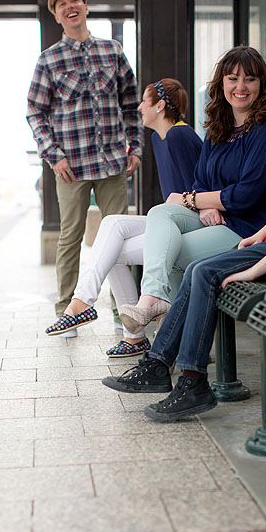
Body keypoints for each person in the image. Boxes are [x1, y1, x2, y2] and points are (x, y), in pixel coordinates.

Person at [100, 84, 266, 421]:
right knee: (198, 270)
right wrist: (256, 237)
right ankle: (159, 366)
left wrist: (253, 269)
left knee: (203, 272)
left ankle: (189, 380)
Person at [117, 45, 266, 333]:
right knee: (160, 213)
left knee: (171, 253)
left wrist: (196, 199)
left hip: (250, 228)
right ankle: (153, 299)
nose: (240, 87)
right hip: (220, 215)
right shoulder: (219, 126)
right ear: (221, 82)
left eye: (250, 79)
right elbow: (201, 177)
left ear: (261, 84)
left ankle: (174, 340)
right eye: (232, 78)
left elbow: (248, 194)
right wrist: (205, 203)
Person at [43, 79, 202, 357]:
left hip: (191, 225)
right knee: (111, 224)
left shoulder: (180, 136)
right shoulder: (159, 138)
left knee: (114, 247)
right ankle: (91, 308)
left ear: (160, 105)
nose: (139, 107)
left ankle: (113, 324)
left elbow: (200, 186)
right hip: (170, 219)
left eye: (144, 101)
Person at [27, 0, 142, 329]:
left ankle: (125, 310)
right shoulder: (49, 60)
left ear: (85, 7)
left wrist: (135, 147)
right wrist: (53, 155)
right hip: (71, 167)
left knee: (120, 238)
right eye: (61, 3)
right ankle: (67, 309)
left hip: (112, 165)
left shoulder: (113, 51)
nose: (69, 6)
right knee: (70, 236)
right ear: (56, 15)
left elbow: (131, 104)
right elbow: (35, 111)